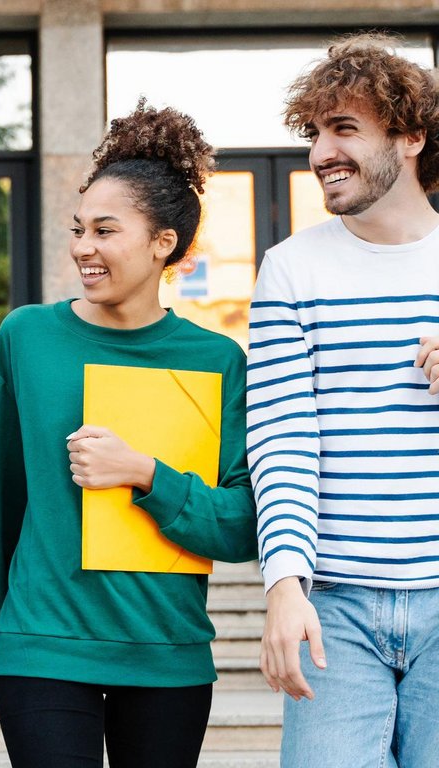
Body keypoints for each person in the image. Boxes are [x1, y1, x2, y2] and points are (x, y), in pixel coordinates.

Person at [0, 100, 257, 768]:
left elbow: (242, 526)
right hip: (42, 642)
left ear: (162, 244)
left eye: (105, 231)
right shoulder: (27, 338)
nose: (83, 248)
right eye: (78, 228)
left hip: (166, 652)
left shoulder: (217, 361)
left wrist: (145, 473)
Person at [247, 32, 439, 767]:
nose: (321, 151)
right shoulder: (293, 268)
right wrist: (285, 585)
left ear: (412, 135)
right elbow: (283, 435)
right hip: (336, 609)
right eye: (315, 132)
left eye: (345, 128)